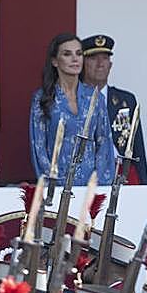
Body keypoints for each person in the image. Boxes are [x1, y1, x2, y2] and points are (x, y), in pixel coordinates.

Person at [29, 33, 113, 185]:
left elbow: (104, 144)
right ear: (55, 61)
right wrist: (55, 185)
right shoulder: (42, 98)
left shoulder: (95, 98)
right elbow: (39, 148)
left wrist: (98, 186)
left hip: (91, 189)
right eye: (67, 54)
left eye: (79, 54)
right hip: (57, 187)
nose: (75, 59)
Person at [81, 34, 147, 184]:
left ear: (110, 65)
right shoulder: (74, 100)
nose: (100, 64)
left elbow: (138, 147)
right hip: (88, 174)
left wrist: (144, 185)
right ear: (83, 64)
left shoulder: (126, 100)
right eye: (93, 58)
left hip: (123, 172)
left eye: (105, 58)